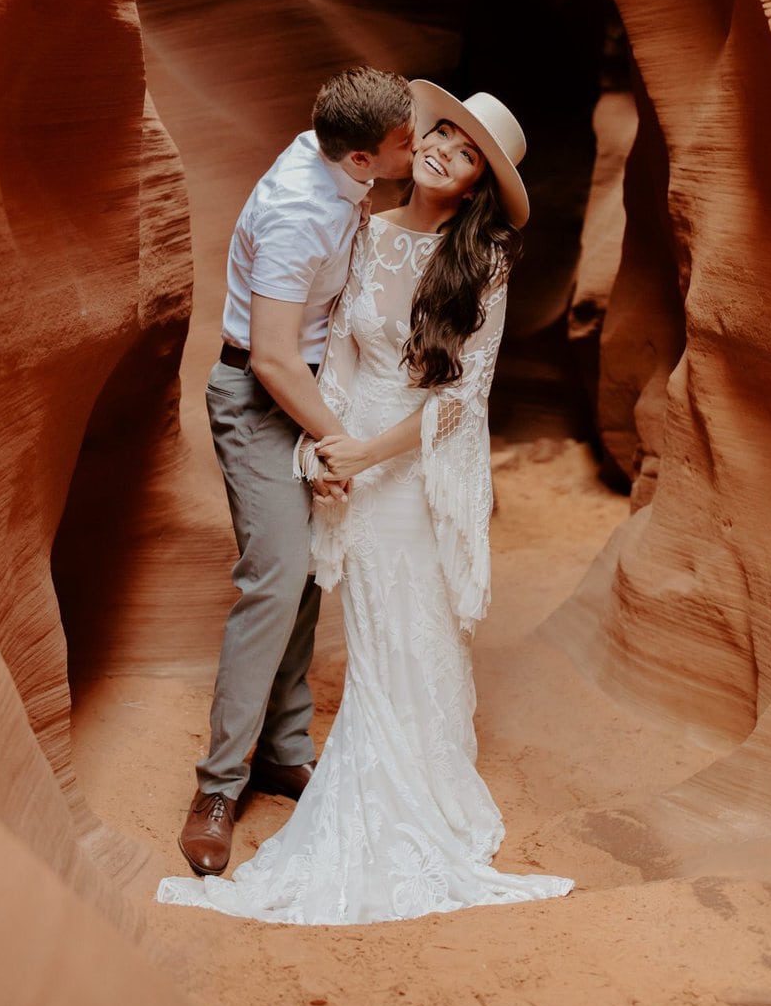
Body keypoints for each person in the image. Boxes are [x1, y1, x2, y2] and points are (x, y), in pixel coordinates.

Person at [161, 82, 575, 923]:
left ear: (475, 185)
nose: (438, 152)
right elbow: (334, 356)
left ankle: (397, 776)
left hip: (412, 457)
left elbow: (463, 397)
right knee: (325, 594)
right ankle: (250, 773)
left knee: (410, 615)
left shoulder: (483, 262)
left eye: (463, 154)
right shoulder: (366, 227)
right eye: (440, 135)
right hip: (341, 433)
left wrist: (364, 450)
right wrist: (326, 444)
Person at [177, 66, 417, 878]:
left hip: (309, 390)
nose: (414, 149)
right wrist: (338, 440)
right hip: (261, 396)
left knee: (312, 572)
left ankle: (283, 749)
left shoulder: (341, 178)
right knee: (275, 580)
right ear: (358, 159)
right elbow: (275, 358)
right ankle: (218, 787)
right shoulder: (297, 211)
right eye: (403, 143)